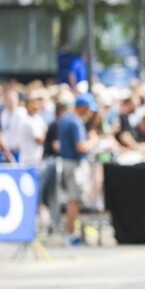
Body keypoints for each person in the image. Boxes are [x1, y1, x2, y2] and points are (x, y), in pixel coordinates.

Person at [58, 93, 98, 245]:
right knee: (74, 201)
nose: (90, 113)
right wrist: (93, 141)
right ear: (82, 107)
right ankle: (70, 234)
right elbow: (81, 147)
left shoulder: (65, 118)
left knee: (72, 200)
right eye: (88, 109)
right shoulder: (76, 122)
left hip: (67, 162)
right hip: (74, 164)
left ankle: (70, 233)